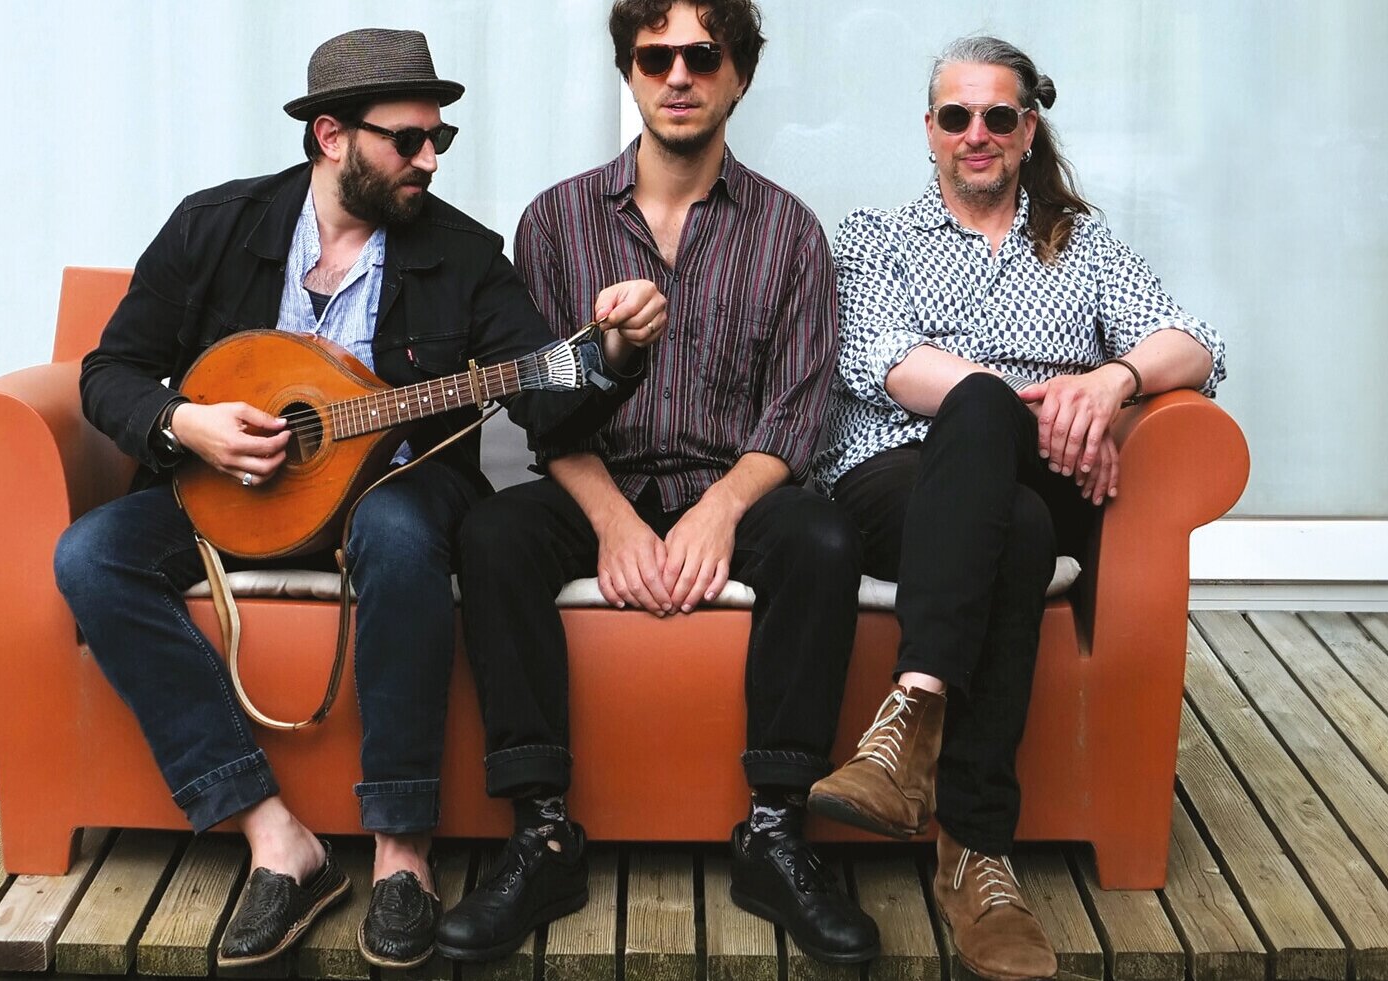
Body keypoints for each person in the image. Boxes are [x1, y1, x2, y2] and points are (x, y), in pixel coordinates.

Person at [53, 28, 654, 971]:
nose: (430, 159)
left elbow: (544, 393)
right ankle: (272, 834)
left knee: (399, 527)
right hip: (232, 494)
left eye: (438, 139)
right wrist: (187, 424)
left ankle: (401, 852)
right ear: (331, 136)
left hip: (396, 493)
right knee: (90, 555)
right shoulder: (215, 227)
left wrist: (612, 353)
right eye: (406, 140)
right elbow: (110, 372)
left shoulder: (463, 254)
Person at [435, 0, 879, 966]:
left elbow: (795, 413)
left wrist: (720, 511)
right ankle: (542, 833)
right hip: (599, 476)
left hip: (733, 481)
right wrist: (613, 522)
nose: (679, 76)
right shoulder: (555, 222)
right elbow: (541, 408)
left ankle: (775, 830)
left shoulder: (791, 232)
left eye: (703, 56)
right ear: (629, 71)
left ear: (740, 74)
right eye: (655, 57)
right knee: (493, 535)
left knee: (822, 538)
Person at [807, 35, 1227, 981]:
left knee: (1015, 491)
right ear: (930, 129)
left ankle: (909, 721)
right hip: (897, 474)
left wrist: (1114, 379)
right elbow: (885, 362)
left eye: (999, 115)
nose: (978, 133)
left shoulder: (1081, 243)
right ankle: (978, 856)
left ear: (1028, 128)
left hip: (1036, 476)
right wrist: (1031, 410)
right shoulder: (875, 237)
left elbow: (1197, 343)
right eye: (957, 116)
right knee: (1016, 513)